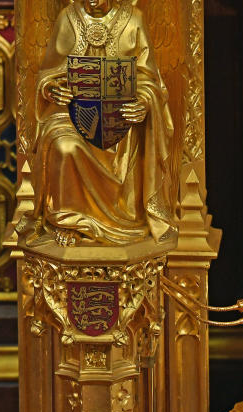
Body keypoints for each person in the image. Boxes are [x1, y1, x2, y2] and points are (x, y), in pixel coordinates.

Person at [29, 0, 175, 245]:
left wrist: (143, 103)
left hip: (121, 116)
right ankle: (69, 220)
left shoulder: (133, 18)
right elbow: (48, 74)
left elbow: (149, 78)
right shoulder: (68, 17)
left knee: (129, 136)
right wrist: (52, 90)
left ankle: (128, 216)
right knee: (62, 145)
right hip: (73, 113)